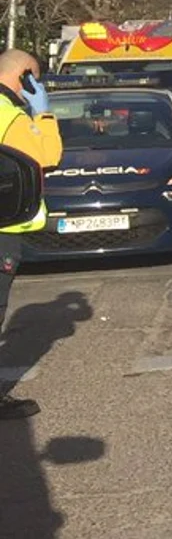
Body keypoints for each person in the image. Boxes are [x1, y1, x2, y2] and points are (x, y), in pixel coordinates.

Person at [0, 49, 65, 420]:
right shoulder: (10, 116)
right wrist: (44, 113)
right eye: (35, 79)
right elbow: (48, 156)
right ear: (25, 77)